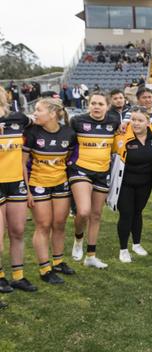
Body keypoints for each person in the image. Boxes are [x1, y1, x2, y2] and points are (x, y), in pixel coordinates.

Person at [22, 98, 76, 284]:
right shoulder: (31, 132)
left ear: (52, 114)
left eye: (38, 109)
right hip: (38, 184)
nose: (34, 113)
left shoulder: (69, 133)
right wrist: (27, 191)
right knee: (43, 225)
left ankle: (58, 261)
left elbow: (67, 157)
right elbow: (22, 164)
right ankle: (45, 269)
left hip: (61, 184)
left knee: (59, 224)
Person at [68, 91, 121, 269]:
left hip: (102, 172)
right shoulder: (77, 121)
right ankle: (78, 239)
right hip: (80, 170)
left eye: (100, 104)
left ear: (107, 106)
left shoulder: (114, 122)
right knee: (83, 211)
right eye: (93, 103)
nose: (96, 107)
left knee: (96, 215)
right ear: (88, 105)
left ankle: (91, 256)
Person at [108, 107, 152, 263]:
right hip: (125, 184)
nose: (136, 123)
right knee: (126, 214)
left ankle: (136, 244)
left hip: (145, 184)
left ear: (148, 122)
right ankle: (123, 249)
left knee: (138, 213)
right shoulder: (121, 136)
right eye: (133, 120)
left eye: (140, 120)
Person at [0, 86, 37, 292]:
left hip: (16, 182)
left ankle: (18, 276)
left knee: (18, 230)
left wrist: (123, 124)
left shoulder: (19, 119)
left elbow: (40, 121)